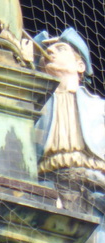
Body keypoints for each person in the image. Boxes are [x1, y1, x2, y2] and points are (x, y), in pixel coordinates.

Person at [34, 28, 105, 200]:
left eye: (61, 49)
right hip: (48, 187)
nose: (49, 52)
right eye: (47, 51)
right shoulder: (34, 107)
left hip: (97, 186)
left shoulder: (99, 107)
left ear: (80, 65)